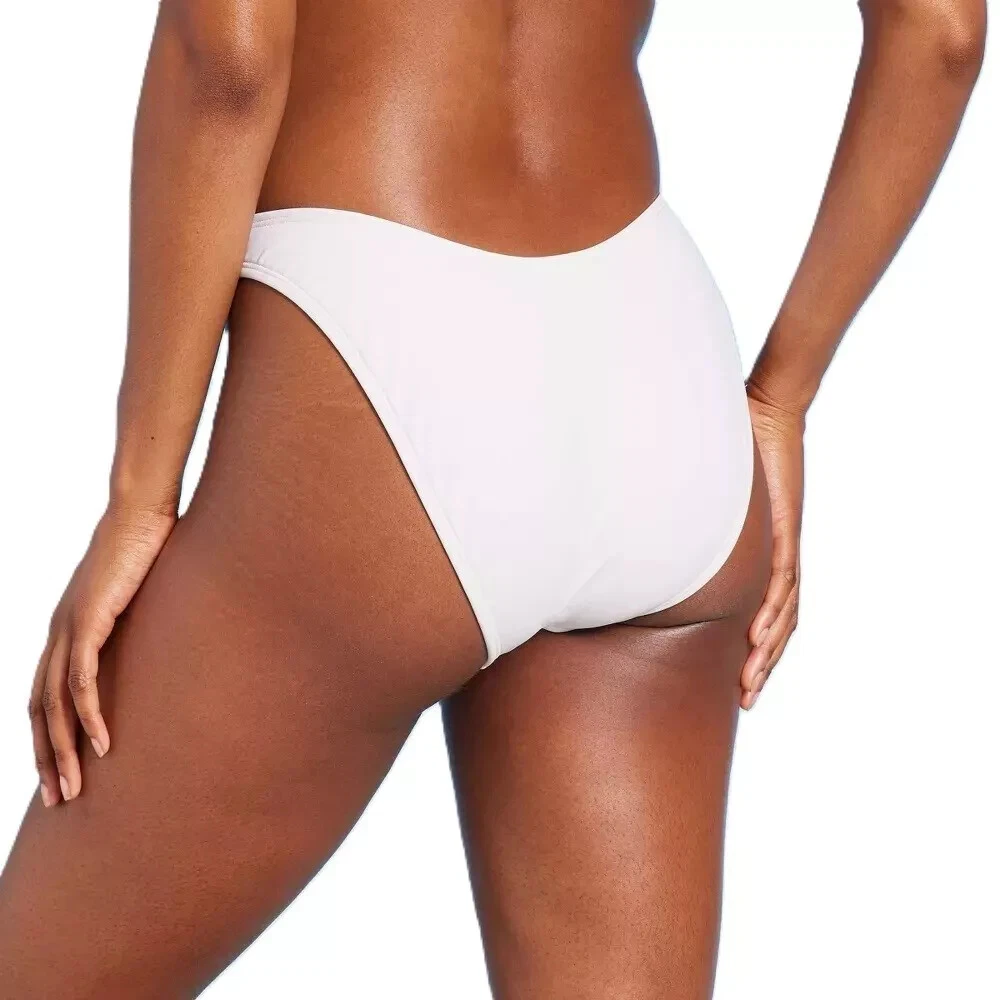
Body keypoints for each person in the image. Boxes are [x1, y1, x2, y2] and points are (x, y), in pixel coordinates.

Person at [0, 0, 986, 996]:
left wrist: (140, 494)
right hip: (654, 355)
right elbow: (941, 30)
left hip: (378, 337)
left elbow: (229, 62)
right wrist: (782, 397)